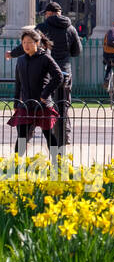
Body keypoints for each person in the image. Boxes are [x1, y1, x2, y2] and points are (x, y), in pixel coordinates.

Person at [11, 2, 81, 143]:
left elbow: (28, 43)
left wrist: (12, 54)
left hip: (43, 71)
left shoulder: (42, 27)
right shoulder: (71, 28)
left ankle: (26, 138)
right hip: (64, 71)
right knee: (63, 104)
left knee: (35, 103)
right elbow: (77, 51)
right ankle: (63, 137)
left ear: (48, 14)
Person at [8, 27, 65, 162]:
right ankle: (17, 165)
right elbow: (18, 83)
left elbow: (58, 76)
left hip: (43, 104)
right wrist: (16, 102)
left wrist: (45, 94)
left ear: (37, 43)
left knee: (48, 134)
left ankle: (57, 162)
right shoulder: (21, 60)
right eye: (24, 43)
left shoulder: (45, 58)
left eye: (29, 42)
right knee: (22, 136)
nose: (26, 45)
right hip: (26, 105)